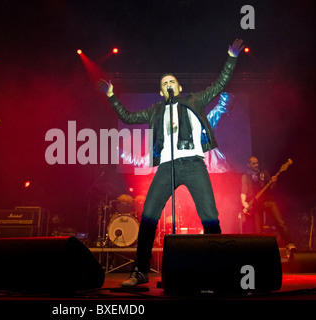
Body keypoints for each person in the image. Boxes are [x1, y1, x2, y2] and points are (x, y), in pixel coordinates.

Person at [98, 38, 244, 287]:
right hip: (167, 167)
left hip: (194, 164)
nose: (167, 85)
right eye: (163, 83)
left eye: (171, 82)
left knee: (210, 216)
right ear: (160, 91)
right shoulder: (155, 110)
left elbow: (220, 83)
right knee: (148, 217)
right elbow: (128, 117)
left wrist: (231, 58)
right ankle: (140, 271)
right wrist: (112, 96)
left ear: (178, 87)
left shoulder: (195, 100)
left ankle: (219, 269)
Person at [240, 156, 296, 256]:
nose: (256, 165)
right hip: (256, 204)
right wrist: (244, 203)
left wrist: (274, 182)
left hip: (268, 201)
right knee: (258, 230)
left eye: (257, 163)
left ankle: (289, 245)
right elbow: (244, 191)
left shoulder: (264, 173)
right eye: (254, 163)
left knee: (280, 222)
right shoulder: (245, 176)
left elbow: (272, 188)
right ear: (249, 165)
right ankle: (261, 251)